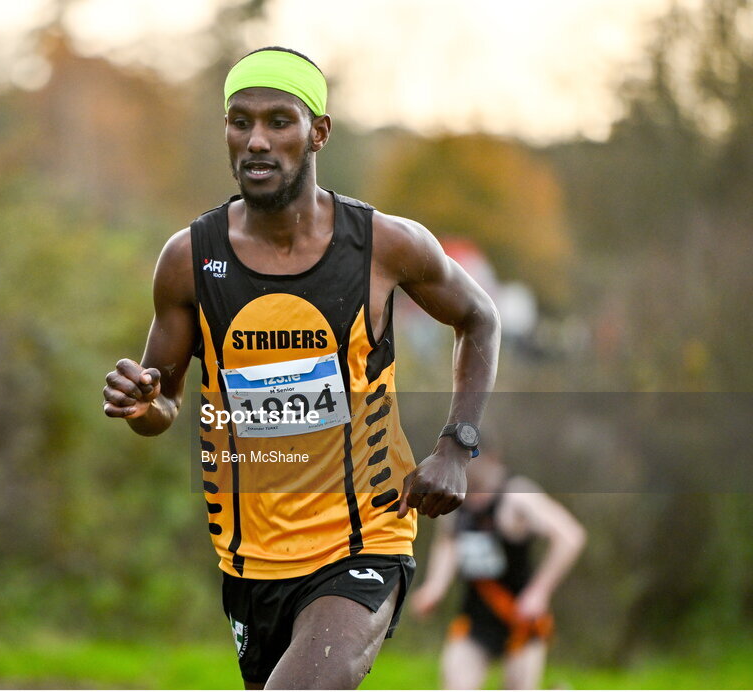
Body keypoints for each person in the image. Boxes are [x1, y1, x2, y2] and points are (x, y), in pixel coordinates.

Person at [103, 46, 500, 689]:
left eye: (279, 121)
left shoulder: (384, 246)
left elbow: (479, 318)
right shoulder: (188, 259)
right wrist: (141, 401)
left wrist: (457, 446)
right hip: (249, 559)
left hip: (364, 540)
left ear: (318, 132)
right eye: (240, 122)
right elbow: (163, 403)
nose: (257, 140)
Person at [410, 450, 586, 689]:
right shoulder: (454, 499)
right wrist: (434, 587)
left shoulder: (517, 496)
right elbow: (447, 542)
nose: (462, 468)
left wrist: (539, 592)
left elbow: (570, 537)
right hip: (475, 621)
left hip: (519, 620)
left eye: (467, 461)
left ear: (492, 459)